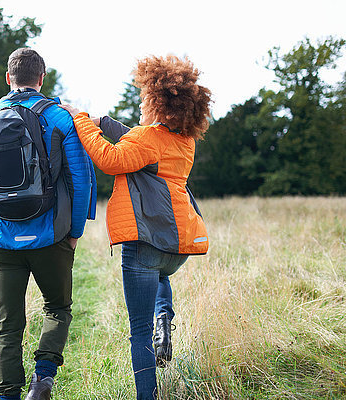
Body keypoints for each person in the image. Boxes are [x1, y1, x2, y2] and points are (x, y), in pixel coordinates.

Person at [61, 54, 211, 400]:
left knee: (137, 331)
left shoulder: (148, 139)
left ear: (156, 104)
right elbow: (141, 143)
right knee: (161, 277)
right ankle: (165, 316)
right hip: (176, 244)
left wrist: (81, 119)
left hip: (145, 243)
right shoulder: (184, 141)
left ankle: (148, 395)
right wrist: (105, 121)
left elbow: (113, 158)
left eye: (146, 99)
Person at [0, 48, 97, 400]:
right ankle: (44, 378)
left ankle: (8, 396)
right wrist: (75, 232)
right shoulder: (61, 119)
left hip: (0, 242)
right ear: (41, 78)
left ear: (8, 78)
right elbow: (81, 181)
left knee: (8, 326)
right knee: (58, 308)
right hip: (52, 238)